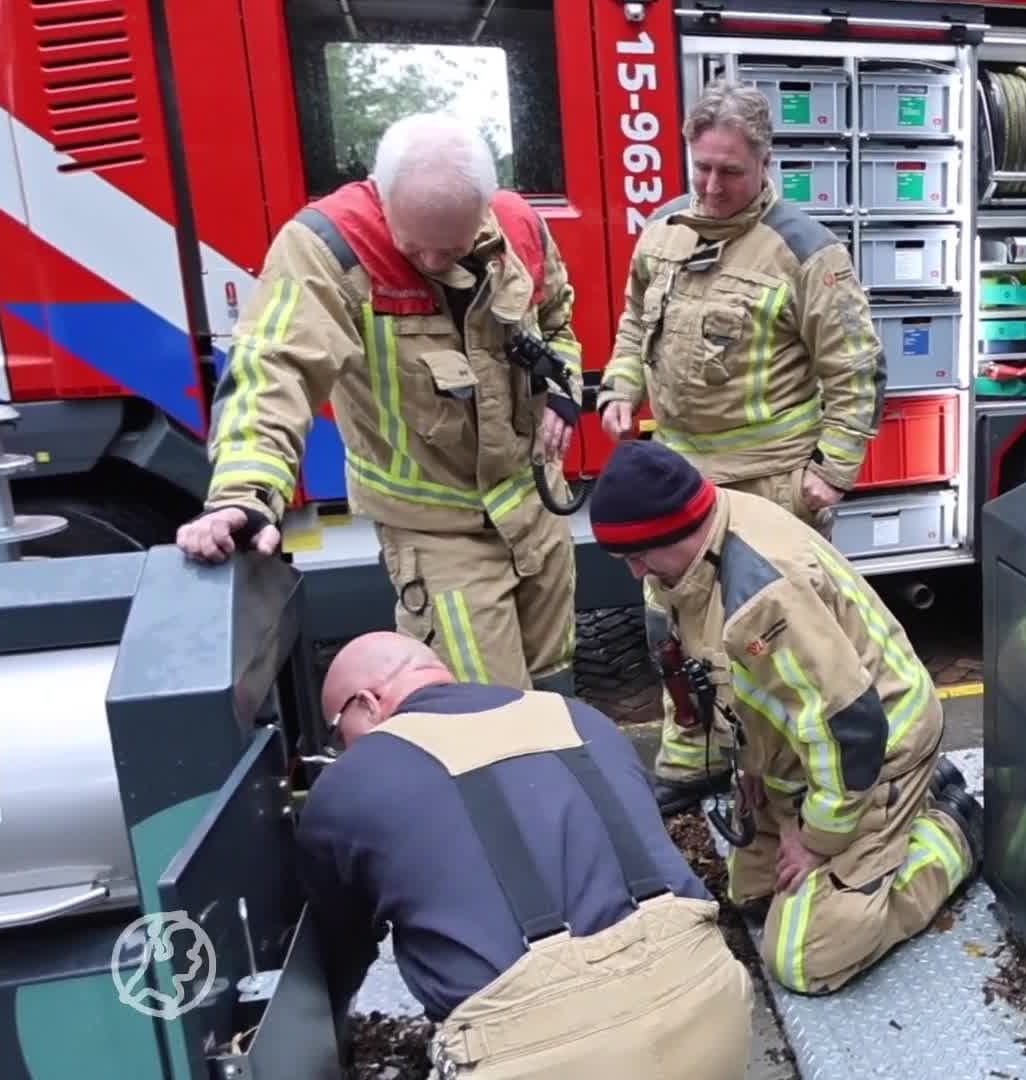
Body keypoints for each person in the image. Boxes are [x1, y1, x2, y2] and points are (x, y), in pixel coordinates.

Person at [177, 112, 586, 697]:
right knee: (484, 717)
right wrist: (245, 494)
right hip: (439, 536)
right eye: (416, 248)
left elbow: (558, 325)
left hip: (535, 515)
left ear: (484, 209)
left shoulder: (520, 228)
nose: (434, 263)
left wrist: (562, 395)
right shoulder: (328, 248)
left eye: (453, 247)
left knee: (555, 689)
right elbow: (274, 370)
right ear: (380, 190)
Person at [587, 439, 981, 996]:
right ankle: (901, 807)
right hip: (796, 759)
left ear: (680, 529)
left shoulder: (762, 596)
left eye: (639, 556)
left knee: (803, 958)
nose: (634, 573)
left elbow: (847, 727)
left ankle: (952, 830)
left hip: (875, 750)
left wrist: (817, 838)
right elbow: (719, 686)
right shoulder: (699, 544)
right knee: (751, 900)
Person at [595, 80, 888, 813]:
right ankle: (691, 753)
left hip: (769, 489)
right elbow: (634, 325)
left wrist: (832, 475)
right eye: (700, 168)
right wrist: (620, 387)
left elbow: (855, 368)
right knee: (673, 629)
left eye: (730, 170)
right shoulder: (664, 233)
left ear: (764, 162)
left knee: (762, 645)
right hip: (678, 484)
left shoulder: (806, 252)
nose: (712, 185)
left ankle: (783, 785)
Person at [298, 631, 753, 1078]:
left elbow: (339, 950)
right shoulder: (579, 717)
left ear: (367, 703)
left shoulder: (353, 780)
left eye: (340, 732)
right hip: (713, 1012)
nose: (344, 748)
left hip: (533, 1056)